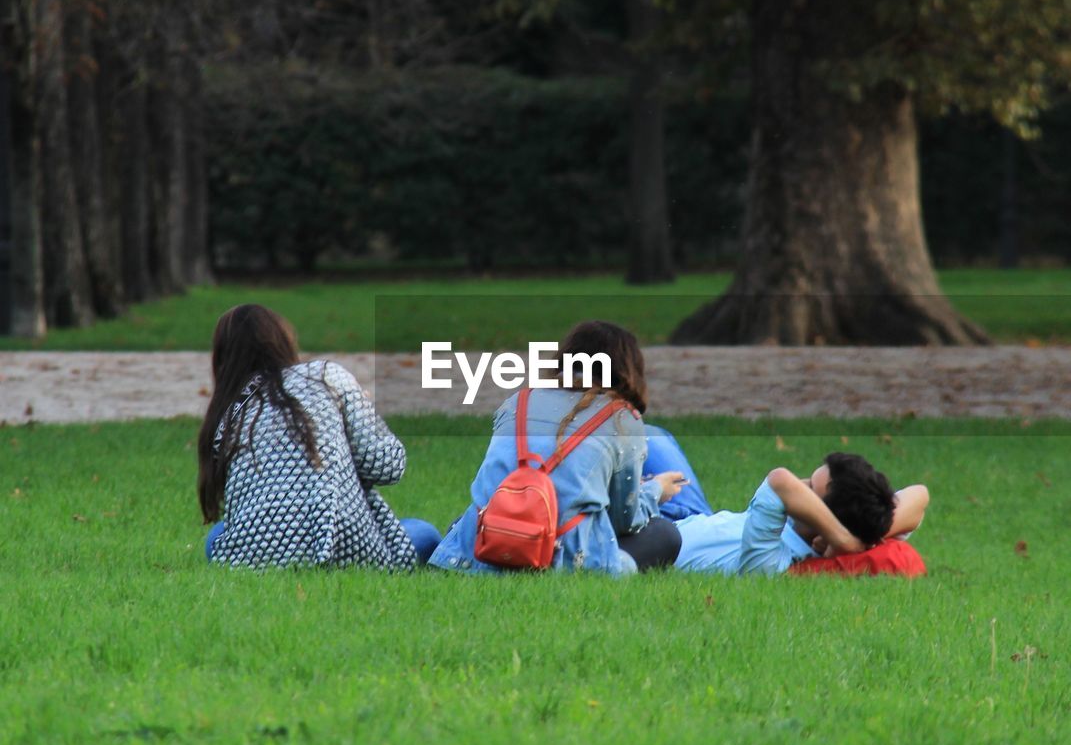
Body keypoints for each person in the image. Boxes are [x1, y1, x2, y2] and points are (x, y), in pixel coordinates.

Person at [430, 321, 686, 574]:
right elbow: (624, 521)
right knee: (665, 535)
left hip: (481, 549)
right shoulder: (623, 419)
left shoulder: (518, 401)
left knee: (463, 521)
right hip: (560, 559)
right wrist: (655, 490)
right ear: (628, 369)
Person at [197, 304, 440, 568]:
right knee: (424, 533)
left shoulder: (229, 413)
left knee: (217, 537)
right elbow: (388, 466)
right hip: (343, 544)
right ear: (282, 342)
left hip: (250, 554)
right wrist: (361, 416)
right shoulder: (326, 377)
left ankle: (265, 554)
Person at [642, 425, 929, 574]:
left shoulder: (772, 558)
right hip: (693, 514)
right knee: (650, 435)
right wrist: (851, 539)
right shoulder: (847, 530)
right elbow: (919, 495)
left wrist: (840, 539)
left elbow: (779, 481)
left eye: (810, 490)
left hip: (654, 536)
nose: (801, 484)